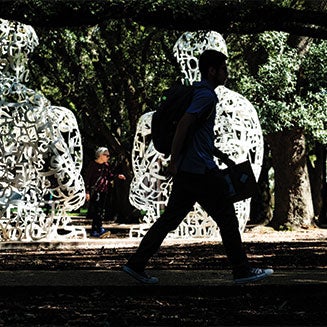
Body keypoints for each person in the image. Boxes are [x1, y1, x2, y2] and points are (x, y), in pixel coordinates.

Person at [123, 49, 273, 284]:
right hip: (201, 172)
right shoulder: (206, 96)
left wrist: (221, 155)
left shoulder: (199, 94)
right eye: (223, 68)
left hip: (189, 171)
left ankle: (136, 264)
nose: (226, 73)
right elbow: (184, 125)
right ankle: (242, 270)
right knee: (227, 219)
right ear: (211, 70)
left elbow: (197, 135)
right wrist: (173, 161)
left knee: (169, 220)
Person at [85, 147, 126, 237]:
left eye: (108, 155)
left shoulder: (106, 166)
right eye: (106, 155)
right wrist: (87, 192)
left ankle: (96, 230)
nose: (108, 157)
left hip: (104, 191)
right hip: (95, 191)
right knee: (97, 211)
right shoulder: (93, 165)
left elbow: (109, 176)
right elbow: (87, 179)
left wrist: (118, 176)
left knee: (100, 211)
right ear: (100, 155)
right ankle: (98, 230)